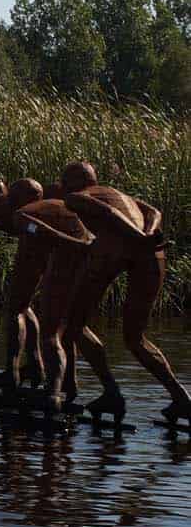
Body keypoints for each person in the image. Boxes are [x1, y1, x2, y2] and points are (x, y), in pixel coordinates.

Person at [55, 161, 190, 425]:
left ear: (70, 183)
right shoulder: (120, 194)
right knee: (134, 337)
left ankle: (111, 393)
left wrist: (138, 238)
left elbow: (104, 213)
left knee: (73, 325)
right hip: (152, 253)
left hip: (116, 251)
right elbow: (154, 211)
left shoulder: (75, 198)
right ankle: (181, 399)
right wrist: (148, 234)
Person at [0, 175, 92, 409]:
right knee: (27, 307)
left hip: (43, 241)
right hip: (50, 245)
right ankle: (38, 368)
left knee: (15, 309)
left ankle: (14, 373)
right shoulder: (12, 206)